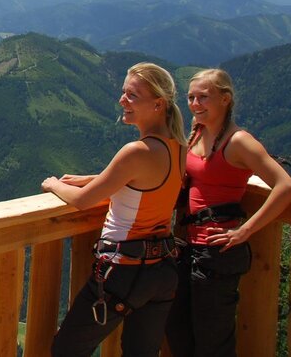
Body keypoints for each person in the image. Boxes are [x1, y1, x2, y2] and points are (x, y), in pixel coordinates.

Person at [41, 62, 186, 357]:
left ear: (158, 104)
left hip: (124, 271)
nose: (122, 100)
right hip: (163, 269)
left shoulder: (136, 152)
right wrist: (97, 178)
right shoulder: (177, 147)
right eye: (124, 93)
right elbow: (146, 183)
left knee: (66, 349)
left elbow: (83, 201)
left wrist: (54, 184)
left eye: (132, 95)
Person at [164, 69, 291, 357]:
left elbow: (286, 187)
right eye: (191, 97)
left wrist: (245, 230)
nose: (195, 104)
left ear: (225, 99)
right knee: (177, 329)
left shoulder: (238, 142)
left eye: (204, 97)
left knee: (213, 341)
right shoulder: (197, 132)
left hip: (217, 253)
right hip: (187, 245)